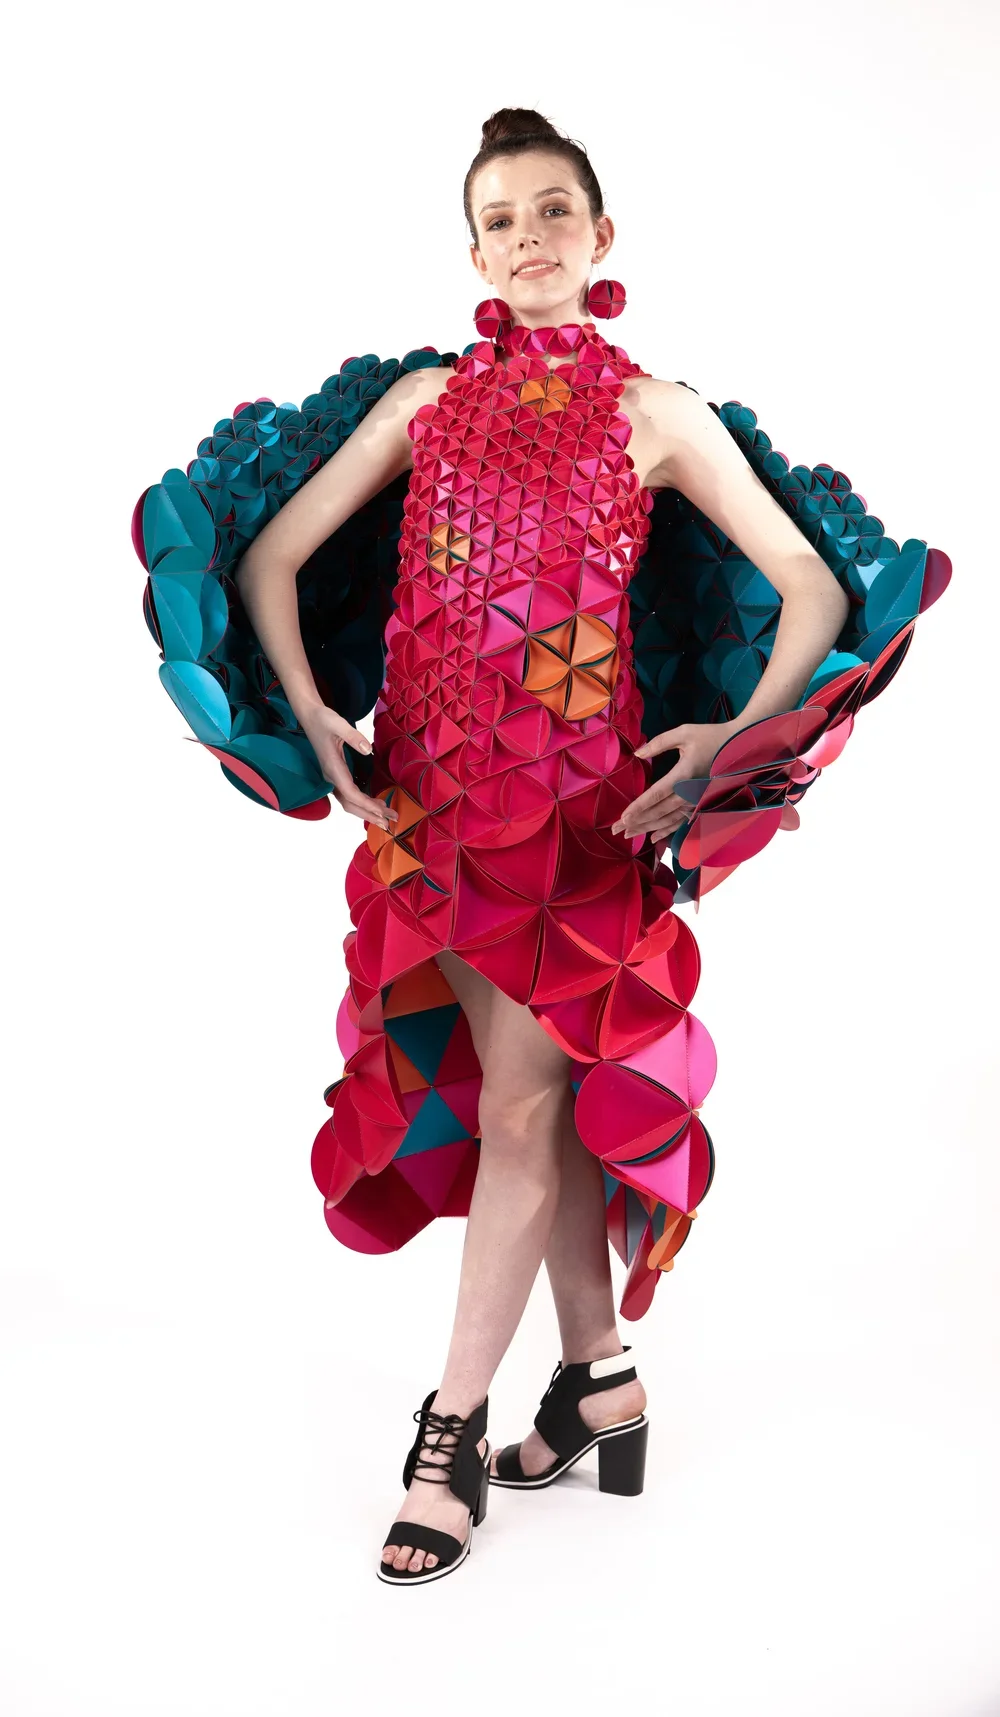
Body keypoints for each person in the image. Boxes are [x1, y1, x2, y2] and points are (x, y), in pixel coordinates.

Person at [134, 107, 950, 1587]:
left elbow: (813, 590)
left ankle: (448, 1436)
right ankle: (601, 1382)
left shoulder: (658, 415)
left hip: (580, 822)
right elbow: (269, 558)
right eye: (501, 219)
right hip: (430, 813)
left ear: (602, 234)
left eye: (554, 209)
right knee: (539, 1103)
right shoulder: (421, 403)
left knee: (522, 1111)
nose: (529, 237)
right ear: (473, 253)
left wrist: (728, 741)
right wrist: (314, 718)